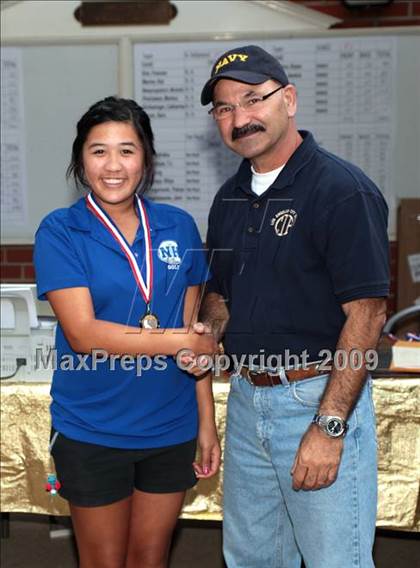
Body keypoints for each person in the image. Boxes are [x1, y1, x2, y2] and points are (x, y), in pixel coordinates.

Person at [197, 45, 389, 568]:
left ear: (290, 100)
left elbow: (367, 314)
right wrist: (208, 333)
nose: (240, 119)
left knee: (335, 561)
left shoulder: (341, 190)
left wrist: (329, 427)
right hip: (245, 399)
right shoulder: (229, 197)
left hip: (316, 398)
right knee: (251, 560)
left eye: (252, 99)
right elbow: (221, 292)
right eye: (224, 108)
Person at [34, 96, 220, 568]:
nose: (113, 166)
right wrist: (179, 340)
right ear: (80, 159)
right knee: (103, 562)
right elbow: (83, 334)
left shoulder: (178, 225)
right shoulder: (61, 231)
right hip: (93, 428)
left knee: (150, 558)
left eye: (127, 150)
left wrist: (206, 422)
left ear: (146, 158)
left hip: (169, 425)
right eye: (98, 151)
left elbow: (194, 333)